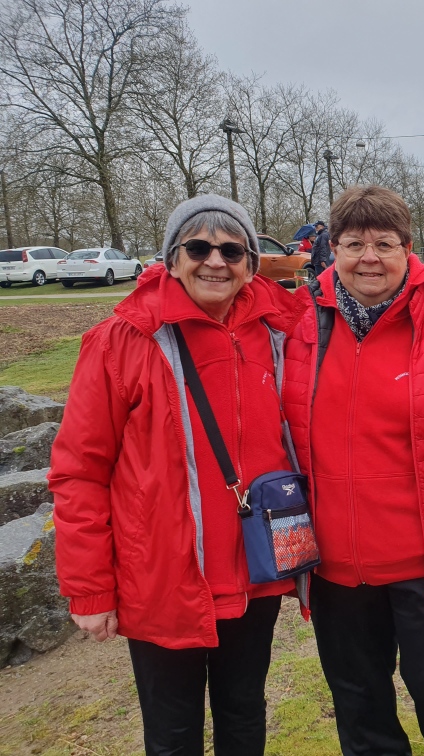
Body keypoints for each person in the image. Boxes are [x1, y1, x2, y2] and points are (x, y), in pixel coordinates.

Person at [48, 195, 306, 755]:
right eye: (198, 247)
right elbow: (78, 471)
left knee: (244, 715)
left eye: (232, 249)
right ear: (172, 258)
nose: (216, 260)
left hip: (253, 570)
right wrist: (91, 588)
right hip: (163, 576)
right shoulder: (121, 341)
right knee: (173, 733)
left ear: (251, 263)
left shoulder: (278, 331)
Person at [282, 185, 424, 756]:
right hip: (336, 563)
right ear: (332, 249)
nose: (370, 257)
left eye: (385, 243)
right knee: (359, 703)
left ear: (409, 248)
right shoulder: (294, 326)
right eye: (354, 243)